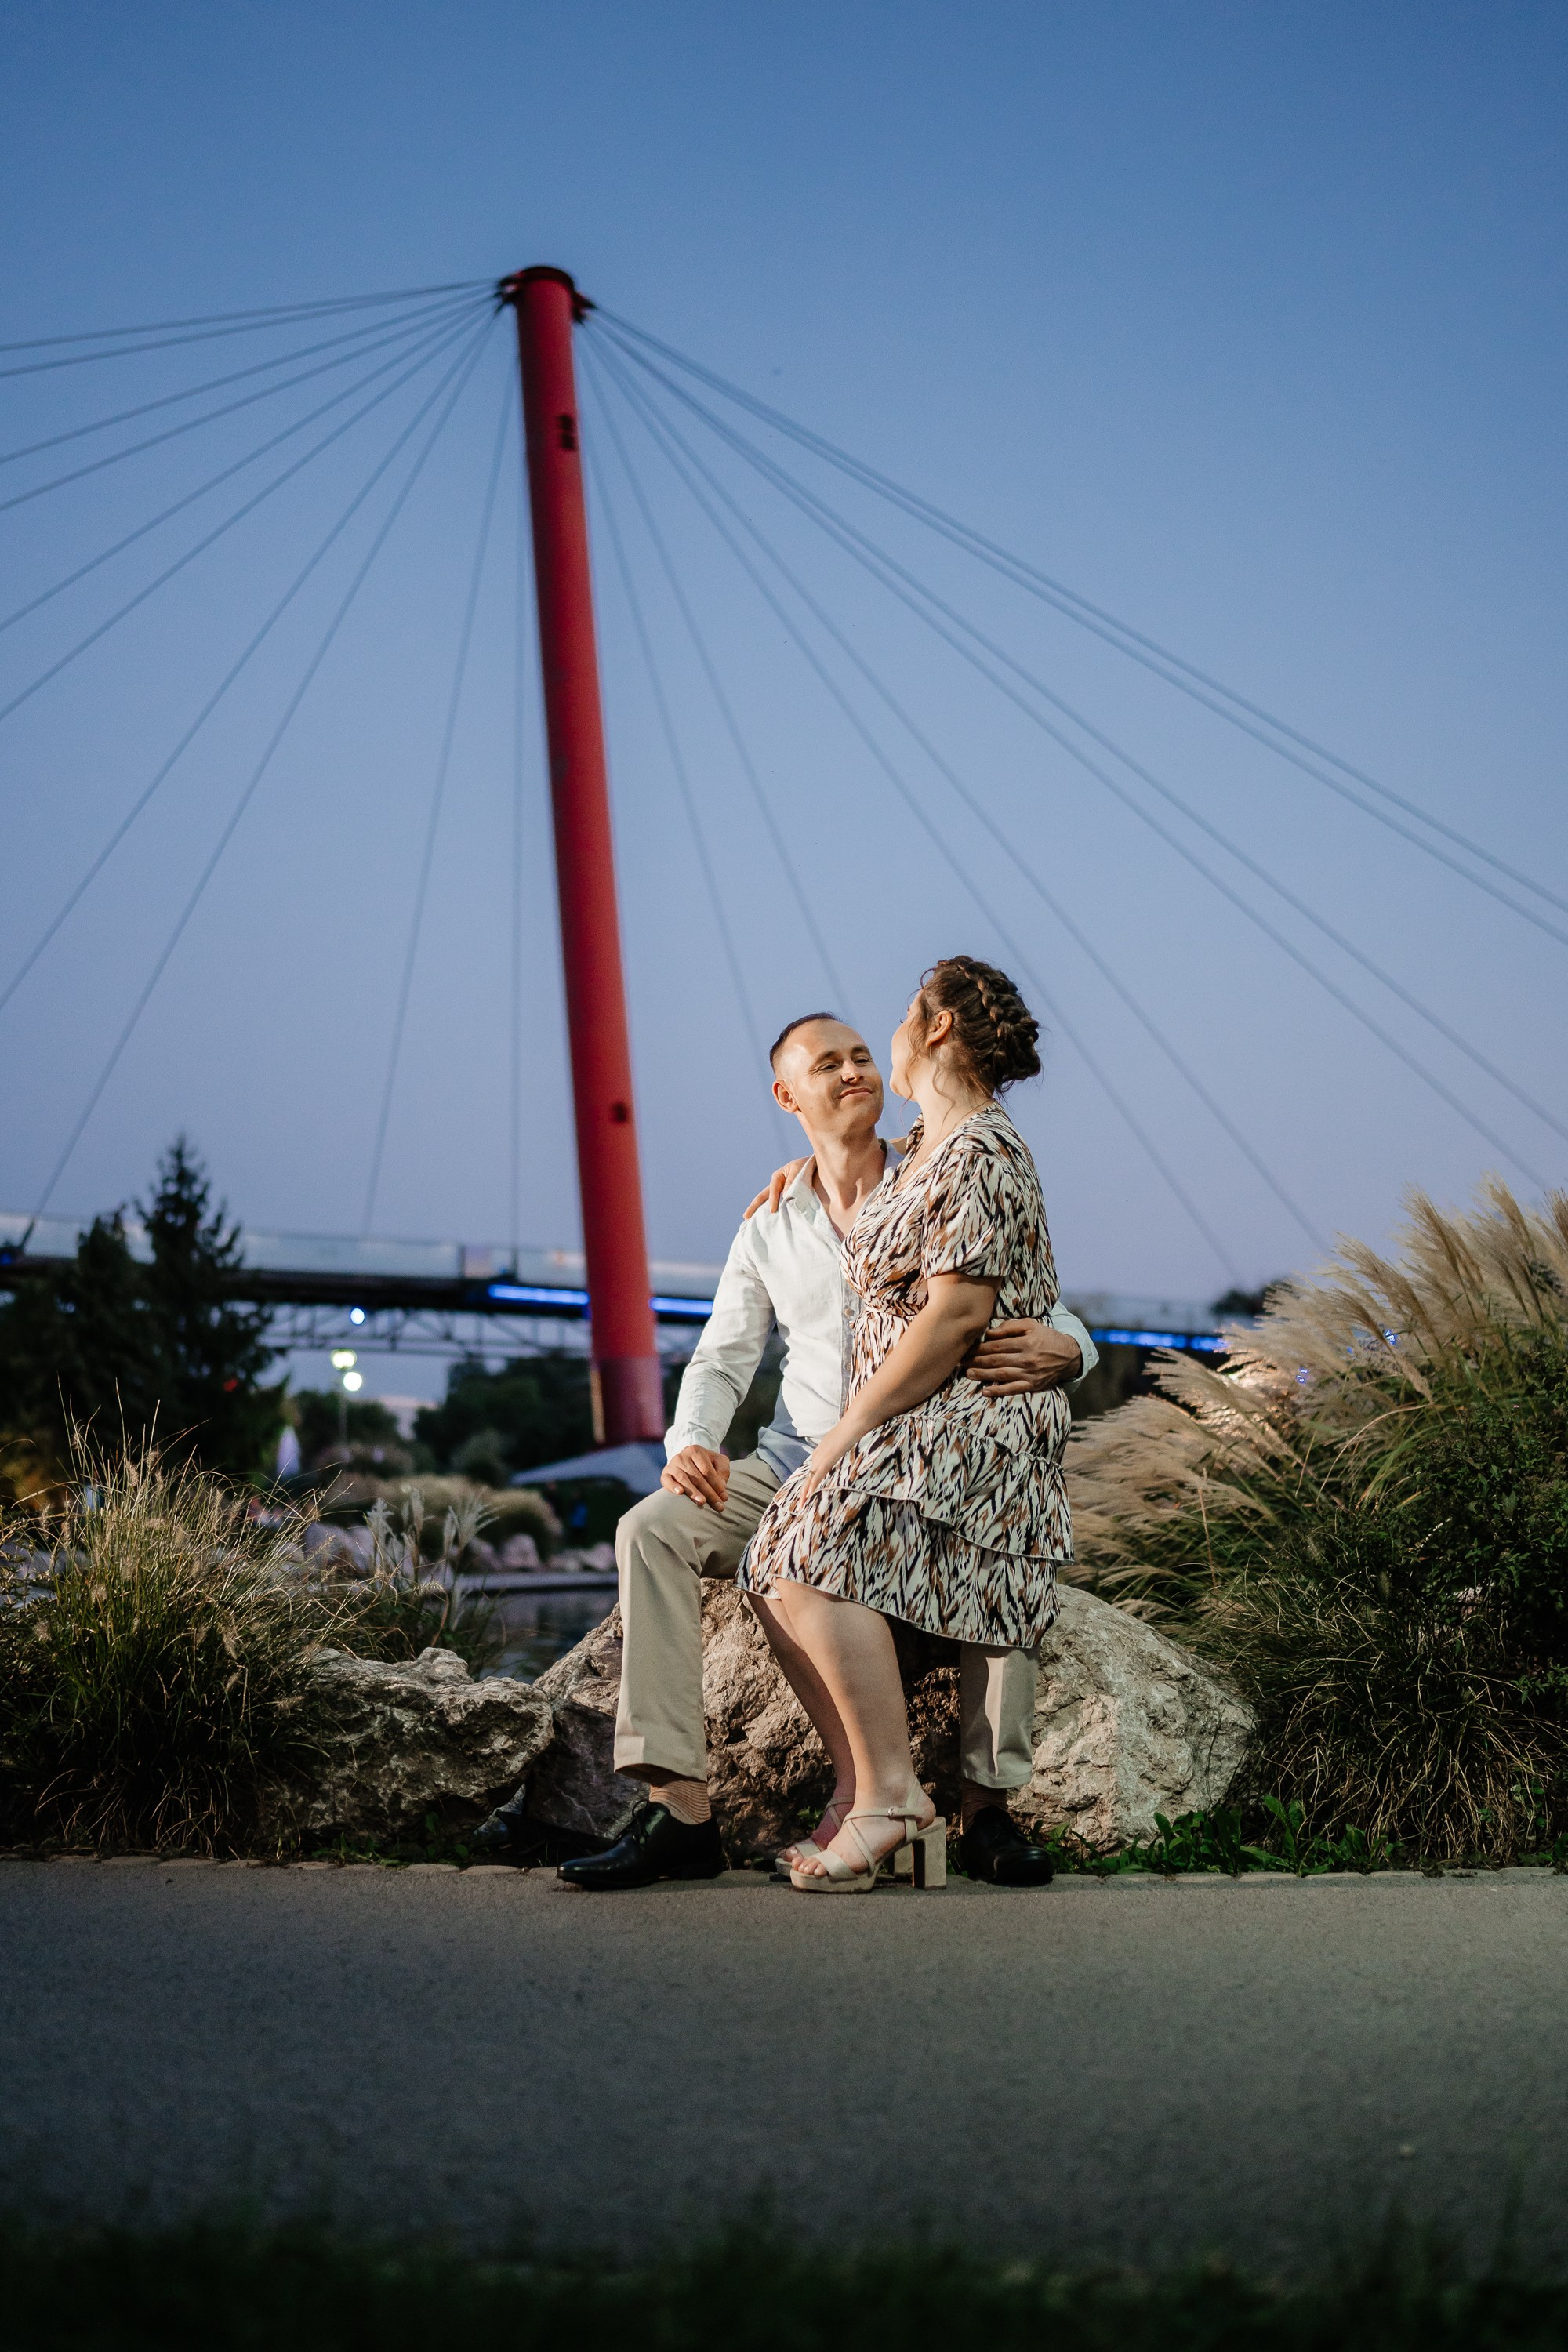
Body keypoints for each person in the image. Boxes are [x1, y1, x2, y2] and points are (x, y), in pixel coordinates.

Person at [510, 993, 1092, 1890]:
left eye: (862, 1054)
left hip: (914, 1453)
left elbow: (1022, 1291)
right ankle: (679, 1810)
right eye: (827, 1064)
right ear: (787, 1098)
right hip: (796, 1460)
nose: (855, 1069)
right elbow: (720, 1356)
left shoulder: (935, 1165)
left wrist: (1073, 1349)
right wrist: (694, 1438)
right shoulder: (769, 1221)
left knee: (995, 1525)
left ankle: (987, 1811)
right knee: (649, 1530)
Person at [738, 956, 1070, 1892]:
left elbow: (954, 1321)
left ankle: (895, 1797)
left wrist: (839, 1443)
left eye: (895, 1017)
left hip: (973, 1419)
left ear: (931, 1029)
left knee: (807, 1532)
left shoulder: (984, 1151)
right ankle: (871, 1792)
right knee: (768, 1555)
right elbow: (866, 1186)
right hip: (924, 1417)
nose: (875, 1044)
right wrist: (799, 1173)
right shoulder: (928, 1141)